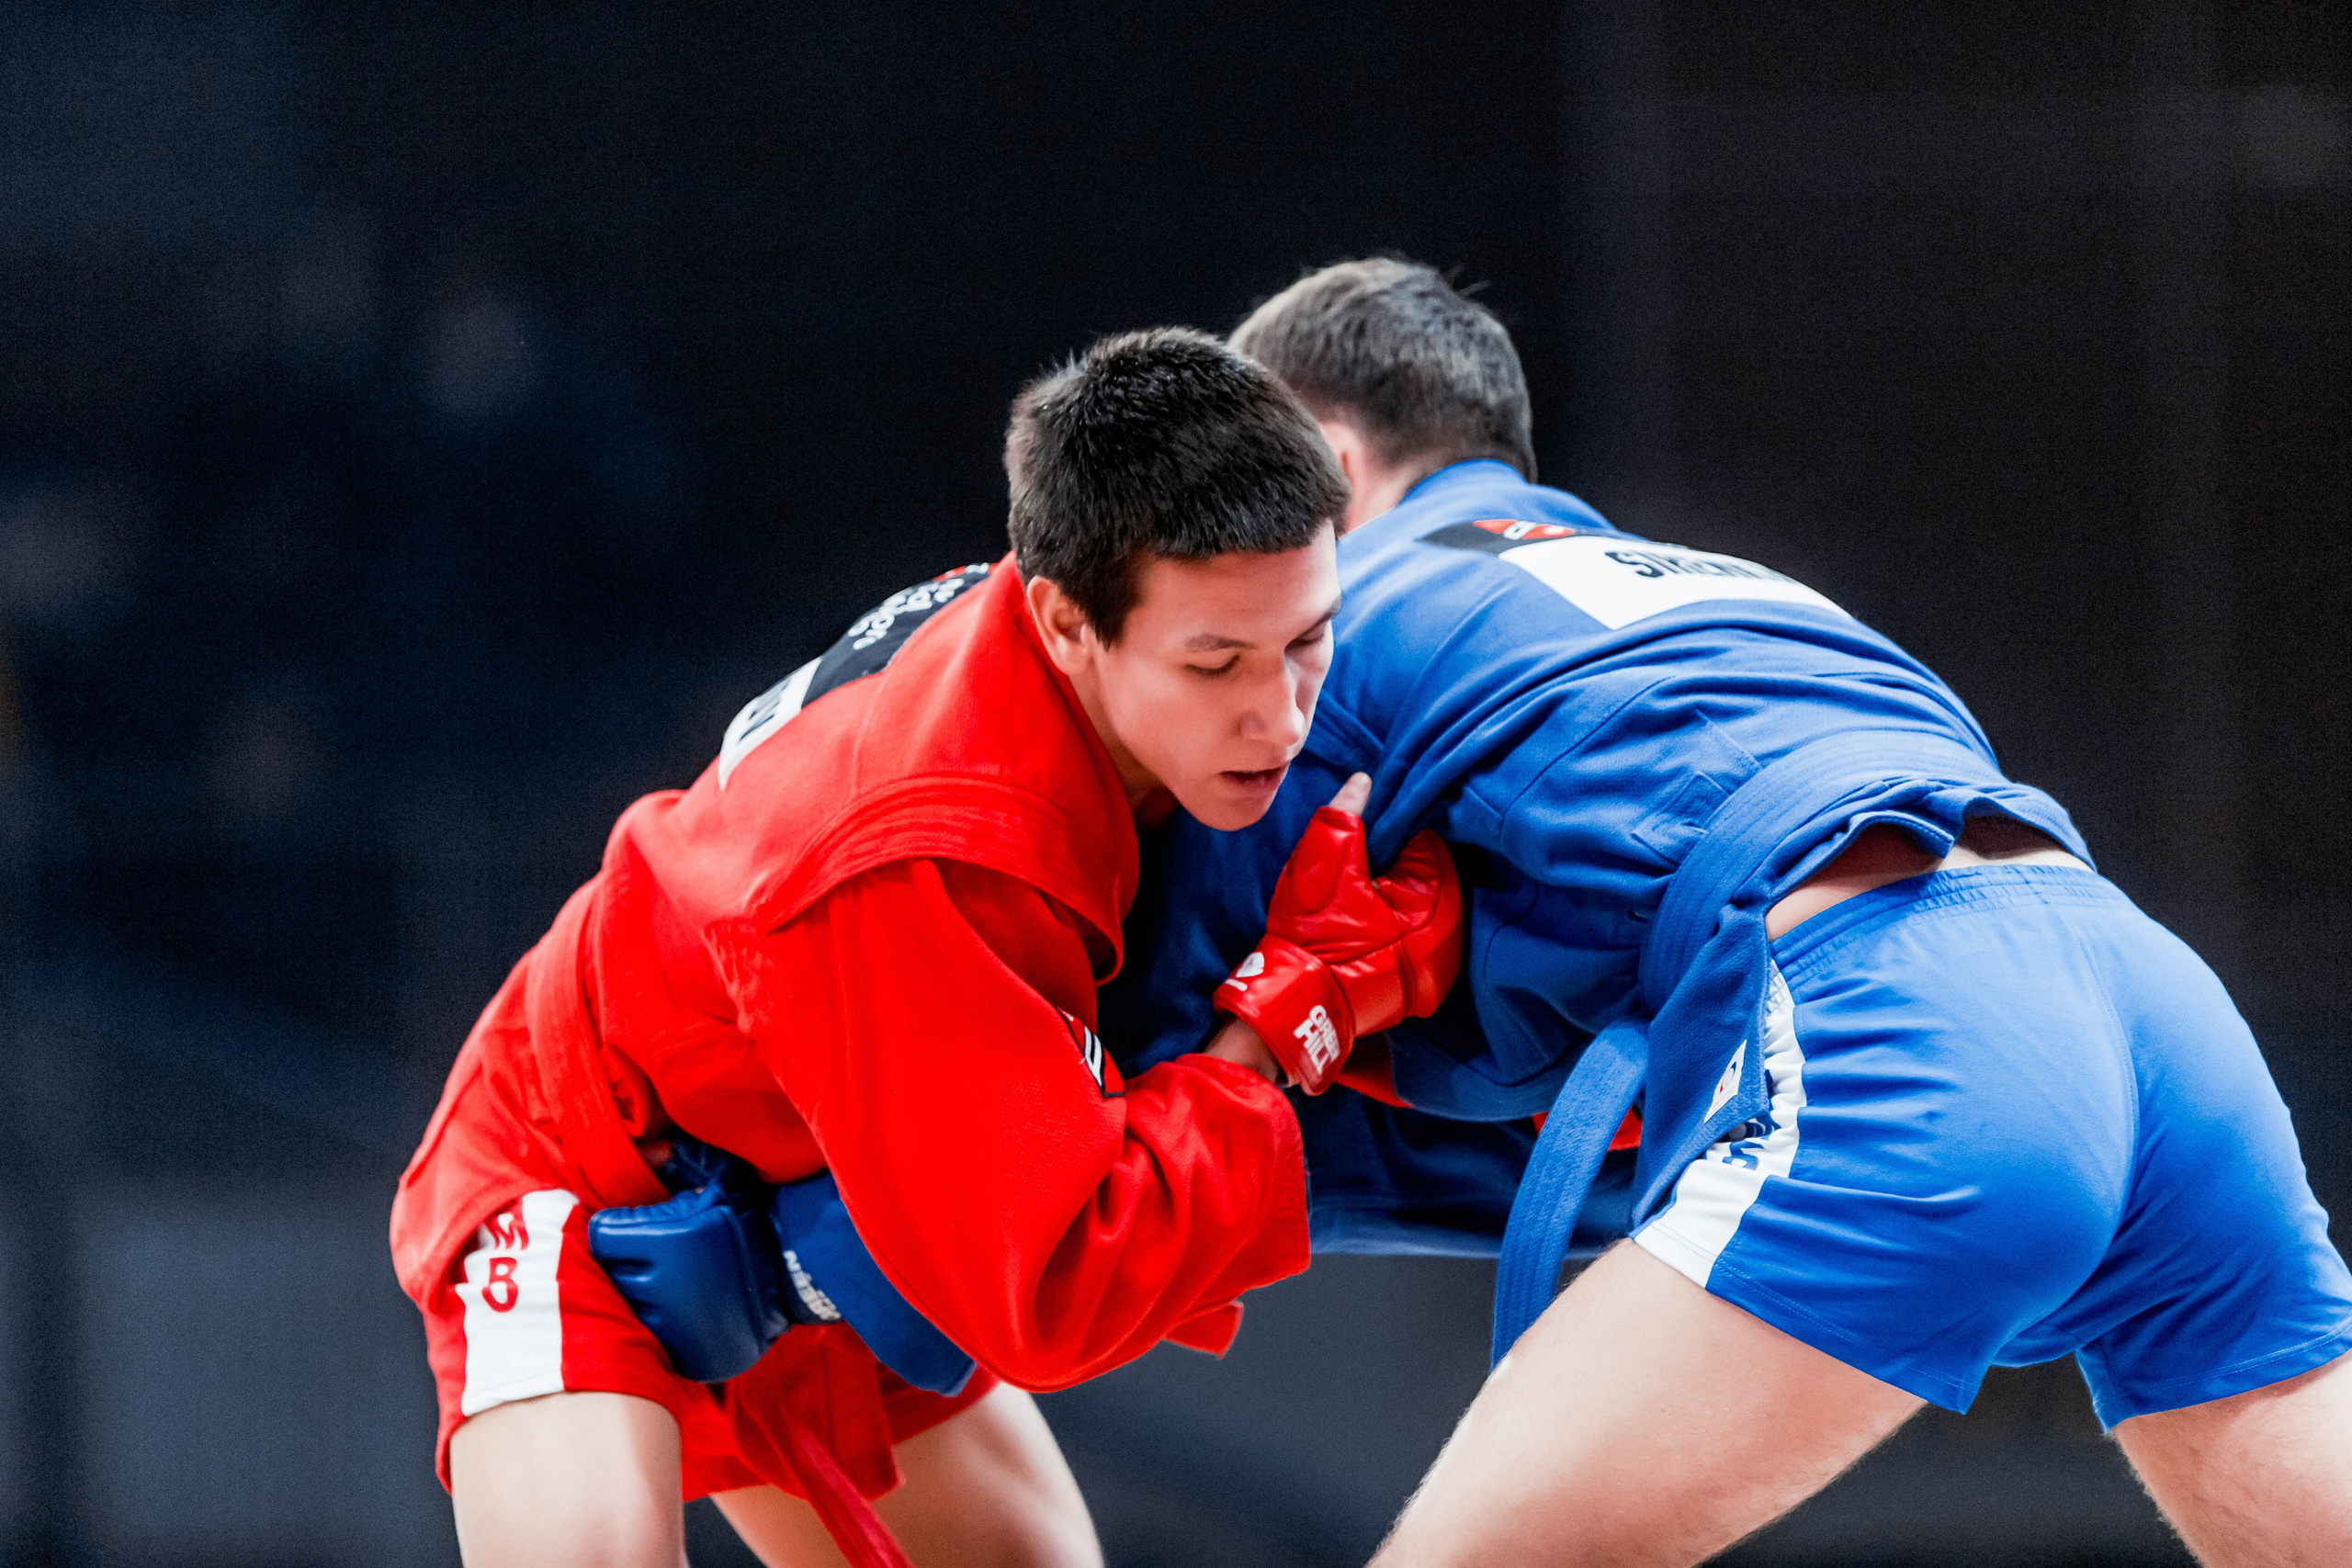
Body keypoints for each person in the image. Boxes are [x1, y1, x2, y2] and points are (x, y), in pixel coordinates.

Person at [1106, 258, 2352, 1566]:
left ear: (1322, 463)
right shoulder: (1714, 584)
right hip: (2145, 998)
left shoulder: (1326, 615)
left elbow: (1154, 1038)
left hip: (1897, 1022)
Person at [387, 327, 1463, 1568]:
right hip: (574, 1174)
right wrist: (1283, 1019)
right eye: (1215, 662)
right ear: (1063, 620)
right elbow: (1053, 1292)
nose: (1279, 715)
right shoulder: (926, 853)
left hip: (826, 1187)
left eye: (1308, 641)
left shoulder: (1088, 605)